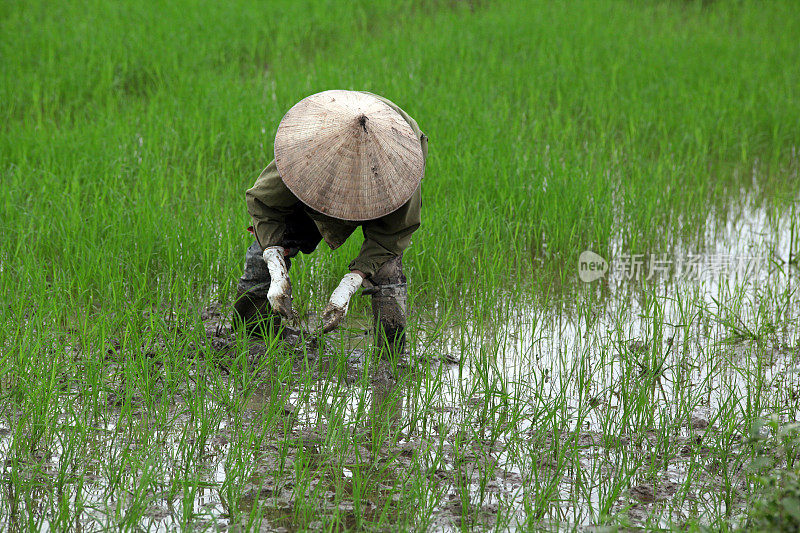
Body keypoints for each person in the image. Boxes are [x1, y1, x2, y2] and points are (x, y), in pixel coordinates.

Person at [233, 90, 428, 355]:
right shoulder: (306, 153)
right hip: (324, 157)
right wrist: (275, 265)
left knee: (386, 271)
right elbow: (264, 204)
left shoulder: (400, 170)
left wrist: (350, 283)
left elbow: (392, 235)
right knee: (261, 256)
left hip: (387, 153)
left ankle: (391, 358)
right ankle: (252, 342)